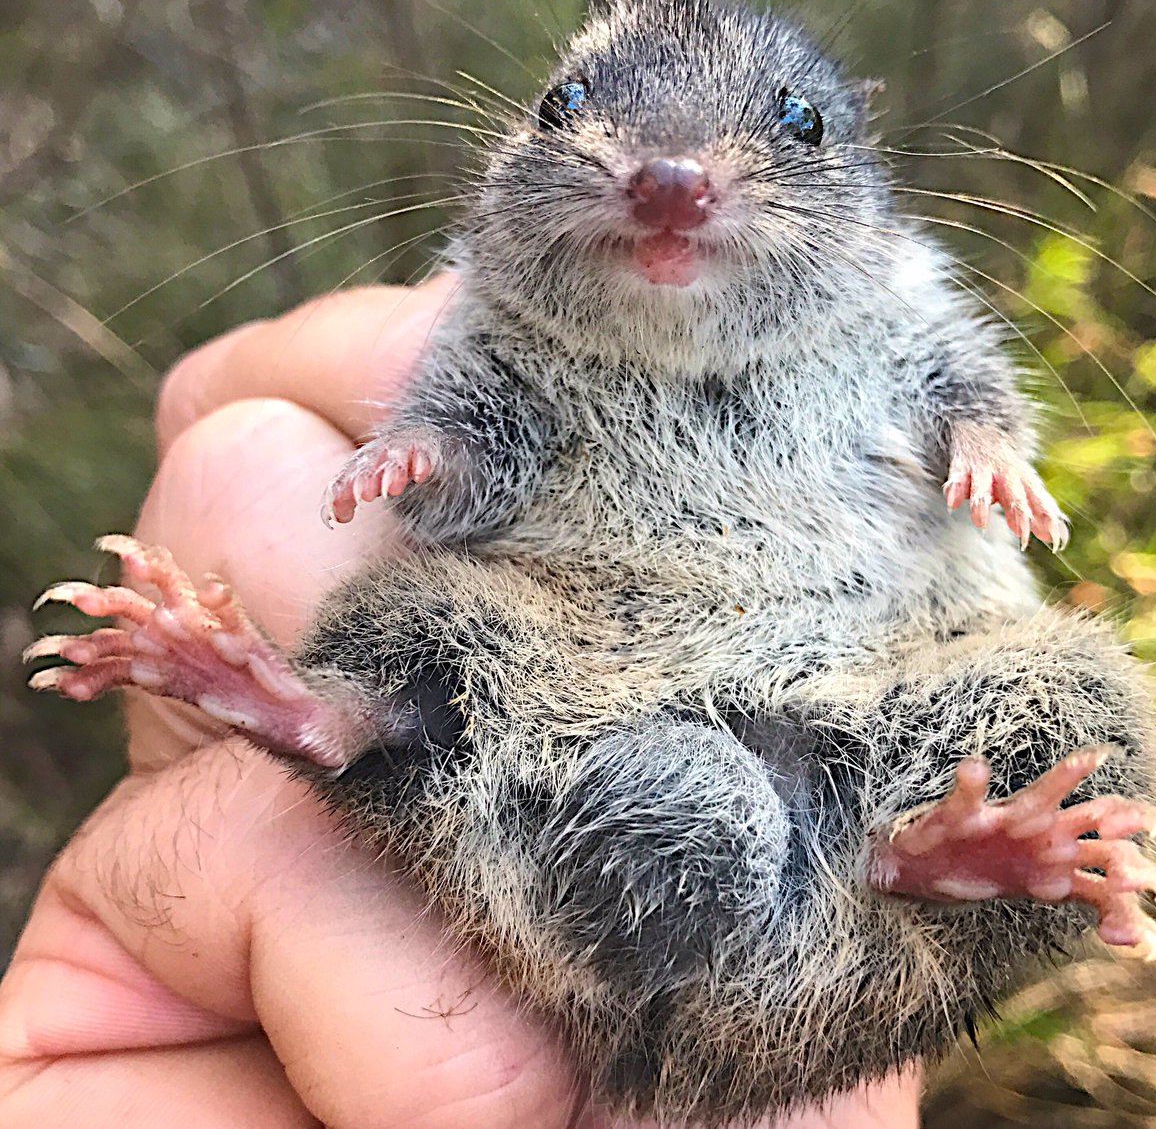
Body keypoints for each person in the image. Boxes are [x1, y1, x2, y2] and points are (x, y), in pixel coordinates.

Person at [0, 276, 920, 1128]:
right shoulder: (513, 319)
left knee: (1035, 711)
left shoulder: (884, 331)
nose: (667, 176)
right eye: (573, 115)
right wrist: (434, 442)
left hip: (803, 809)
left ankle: (907, 863)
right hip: (561, 740)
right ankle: (331, 716)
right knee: (420, 615)